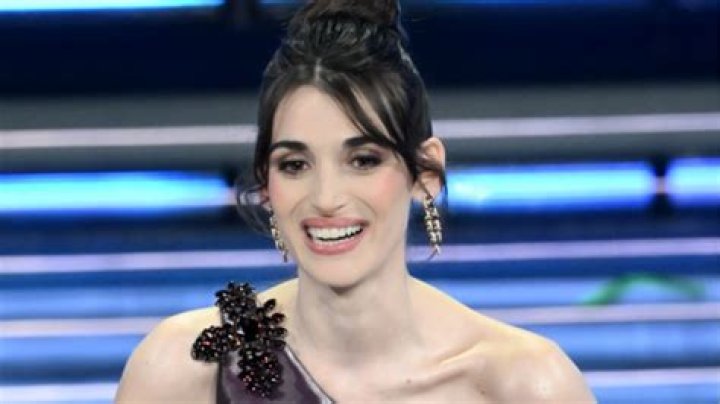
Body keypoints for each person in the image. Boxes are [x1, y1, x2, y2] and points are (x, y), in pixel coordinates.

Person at [116, 0, 596, 402]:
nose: (326, 198)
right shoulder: (187, 369)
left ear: (426, 173)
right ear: (266, 183)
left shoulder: (524, 385)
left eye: (363, 160)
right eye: (295, 164)